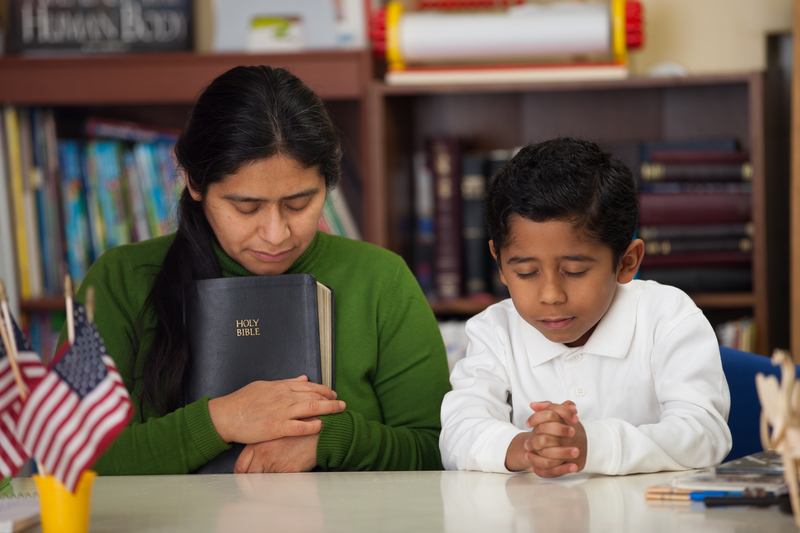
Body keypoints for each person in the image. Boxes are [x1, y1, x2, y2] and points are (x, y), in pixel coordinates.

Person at [75, 65, 451, 474]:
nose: (275, 235)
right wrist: (222, 420)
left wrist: (332, 440)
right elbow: (72, 455)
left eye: (299, 203)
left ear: (328, 184)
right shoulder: (120, 280)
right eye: (246, 207)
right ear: (194, 183)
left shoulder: (382, 280)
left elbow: (439, 449)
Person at [439, 137, 732, 477]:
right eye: (526, 272)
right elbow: (457, 434)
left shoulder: (668, 317)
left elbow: (704, 435)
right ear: (499, 264)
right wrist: (525, 448)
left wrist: (589, 445)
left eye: (574, 271)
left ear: (626, 262)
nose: (550, 294)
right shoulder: (493, 331)